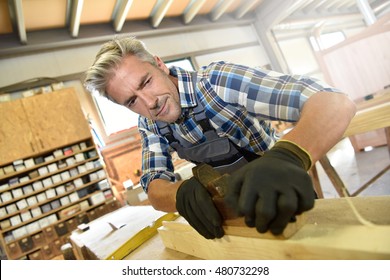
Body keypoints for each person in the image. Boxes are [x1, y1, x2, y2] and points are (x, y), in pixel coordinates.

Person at [84, 36, 356, 239]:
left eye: (146, 82)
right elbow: (154, 187)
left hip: (283, 192)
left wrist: (287, 157)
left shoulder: (217, 82)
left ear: (160, 64)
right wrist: (180, 194)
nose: (150, 103)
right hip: (233, 214)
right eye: (132, 100)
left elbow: (334, 102)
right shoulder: (150, 123)